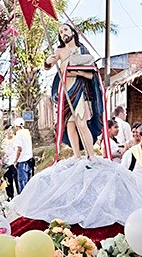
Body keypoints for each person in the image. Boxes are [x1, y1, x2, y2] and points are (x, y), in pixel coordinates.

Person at [45, 23, 104, 161]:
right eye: (60, 32)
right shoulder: (60, 51)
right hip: (64, 91)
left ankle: (91, 155)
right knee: (70, 125)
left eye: (65, 29)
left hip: (78, 90)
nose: (63, 33)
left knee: (82, 123)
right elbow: (48, 66)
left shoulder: (82, 50)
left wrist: (75, 71)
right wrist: (49, 61)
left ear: (72, 32)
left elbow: (91, 72)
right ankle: (77, 156)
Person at [12, 118, 34, 193]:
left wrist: (15, 161)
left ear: (16, 125)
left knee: (22, 183)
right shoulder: (27, 132)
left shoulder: (19, 134)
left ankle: (23, 202)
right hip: (30, 159)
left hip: (22, 161)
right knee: (29, 183)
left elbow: (19, 149)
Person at [2, 126, 19, 199]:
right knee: (8, 181)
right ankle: (10, 196)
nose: (10, 132)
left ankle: (20, 195)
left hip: (15, 162)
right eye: (8, 131)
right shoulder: (3, 141)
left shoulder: (16, 139)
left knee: (17, 179)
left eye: (11, 130)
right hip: (6, 163)